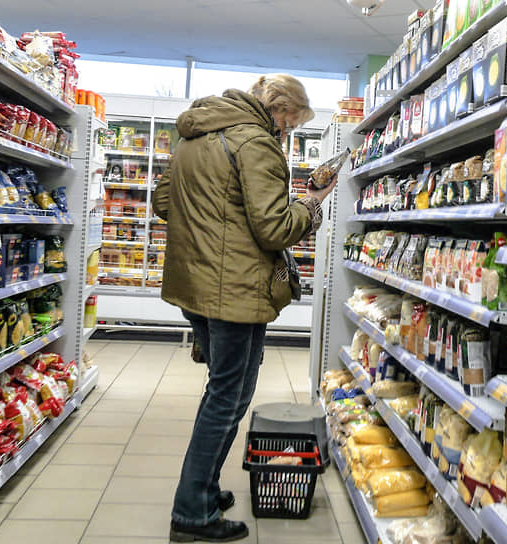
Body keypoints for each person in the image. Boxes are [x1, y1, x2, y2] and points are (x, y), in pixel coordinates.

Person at [152, 74, 337, 542]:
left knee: (225, 391)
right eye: (289, 124)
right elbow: (274, 229)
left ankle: (205, 489)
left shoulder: (194, 133)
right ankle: (191, 514)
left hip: (195, 284)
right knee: (227, 397)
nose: (286, 133)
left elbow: (163, 202)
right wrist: (313, 202)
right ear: (277, 109)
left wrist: (214, 221)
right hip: (233, 289)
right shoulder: (256, 142)